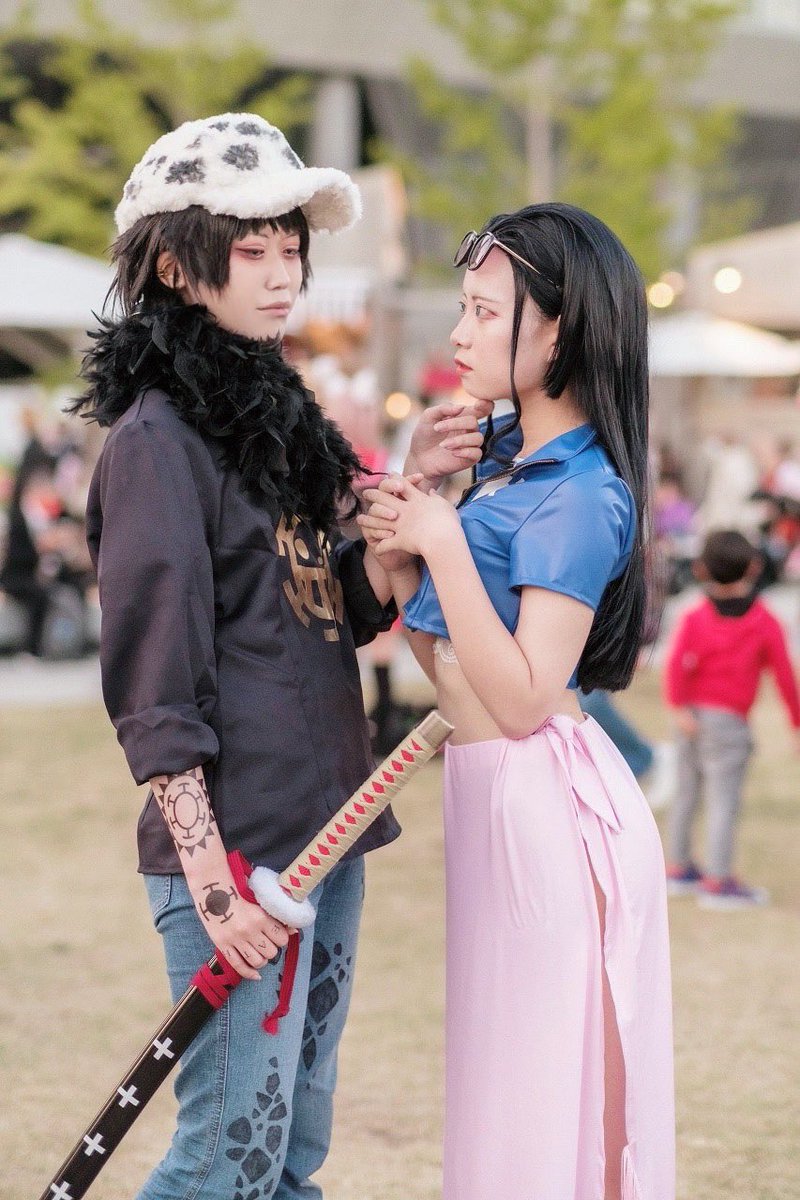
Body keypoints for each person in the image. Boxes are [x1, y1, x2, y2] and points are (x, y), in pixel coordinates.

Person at [68, 112, 486, 1200]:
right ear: (175, 264)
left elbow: (330, 606)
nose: (281, 272)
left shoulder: (276, 417)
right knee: (227, 1162)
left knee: (291, 1153)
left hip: (328, 828)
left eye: (290, 246)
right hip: (241, 853)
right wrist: (216, 889)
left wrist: (412, 489)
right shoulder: (155, 440)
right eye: (249, 249)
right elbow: (153, 686)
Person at [360, 205, 674, 1199]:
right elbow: (449, 667)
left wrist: (439, 541)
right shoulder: (504, 472)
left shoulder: (584, 492)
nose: (459, 333)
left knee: (542, 1090)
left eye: (483, 312)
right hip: (491, 789)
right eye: (463, 308)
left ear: (560, 330)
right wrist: (404, 541)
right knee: (499, 1080)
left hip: (547, 799)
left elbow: (529, 696)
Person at [664, 529, 800, 908]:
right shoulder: (765, 621)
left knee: (686, 794)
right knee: (724, 801)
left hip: (690, 717)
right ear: (755, 567)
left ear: (701, 569)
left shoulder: (695, 616)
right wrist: (796, 723)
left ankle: (678, 868)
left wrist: (678, 706)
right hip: (728, 725)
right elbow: (785, 676)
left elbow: (675, 665)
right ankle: (718, 881)